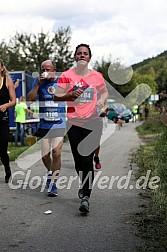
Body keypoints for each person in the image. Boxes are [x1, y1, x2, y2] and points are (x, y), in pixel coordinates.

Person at [54, 44, 108, 213]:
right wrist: (69, 95)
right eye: (79, 53)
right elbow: (56, 96)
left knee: (86, 158)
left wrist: (102, 101)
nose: (82, 55)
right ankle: (84, 184)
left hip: (93, 122)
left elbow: (105, 92)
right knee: (78, 162)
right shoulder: (66, 75)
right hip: (74, 123)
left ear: (89, 58)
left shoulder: (97, 76)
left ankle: (86, 197)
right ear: (75, 57)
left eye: (85, 53)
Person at [27, 60, 66, 197]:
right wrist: (38, 84)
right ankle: (50, 172)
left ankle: (53, 184)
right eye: (43, 68)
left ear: (54, 70)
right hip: (44, 123)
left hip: (59, 122)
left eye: (48, 69)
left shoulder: (62, 81)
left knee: (56, 152)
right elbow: (30, 99)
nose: (45, 71)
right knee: (45, 155)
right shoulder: (39, 82)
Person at [0, 59, 16, 183]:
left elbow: (14, 101)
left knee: (2, 150)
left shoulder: (7, 81)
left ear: (1, 68)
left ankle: (7, 169)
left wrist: (6, 105)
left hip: (3, 120)